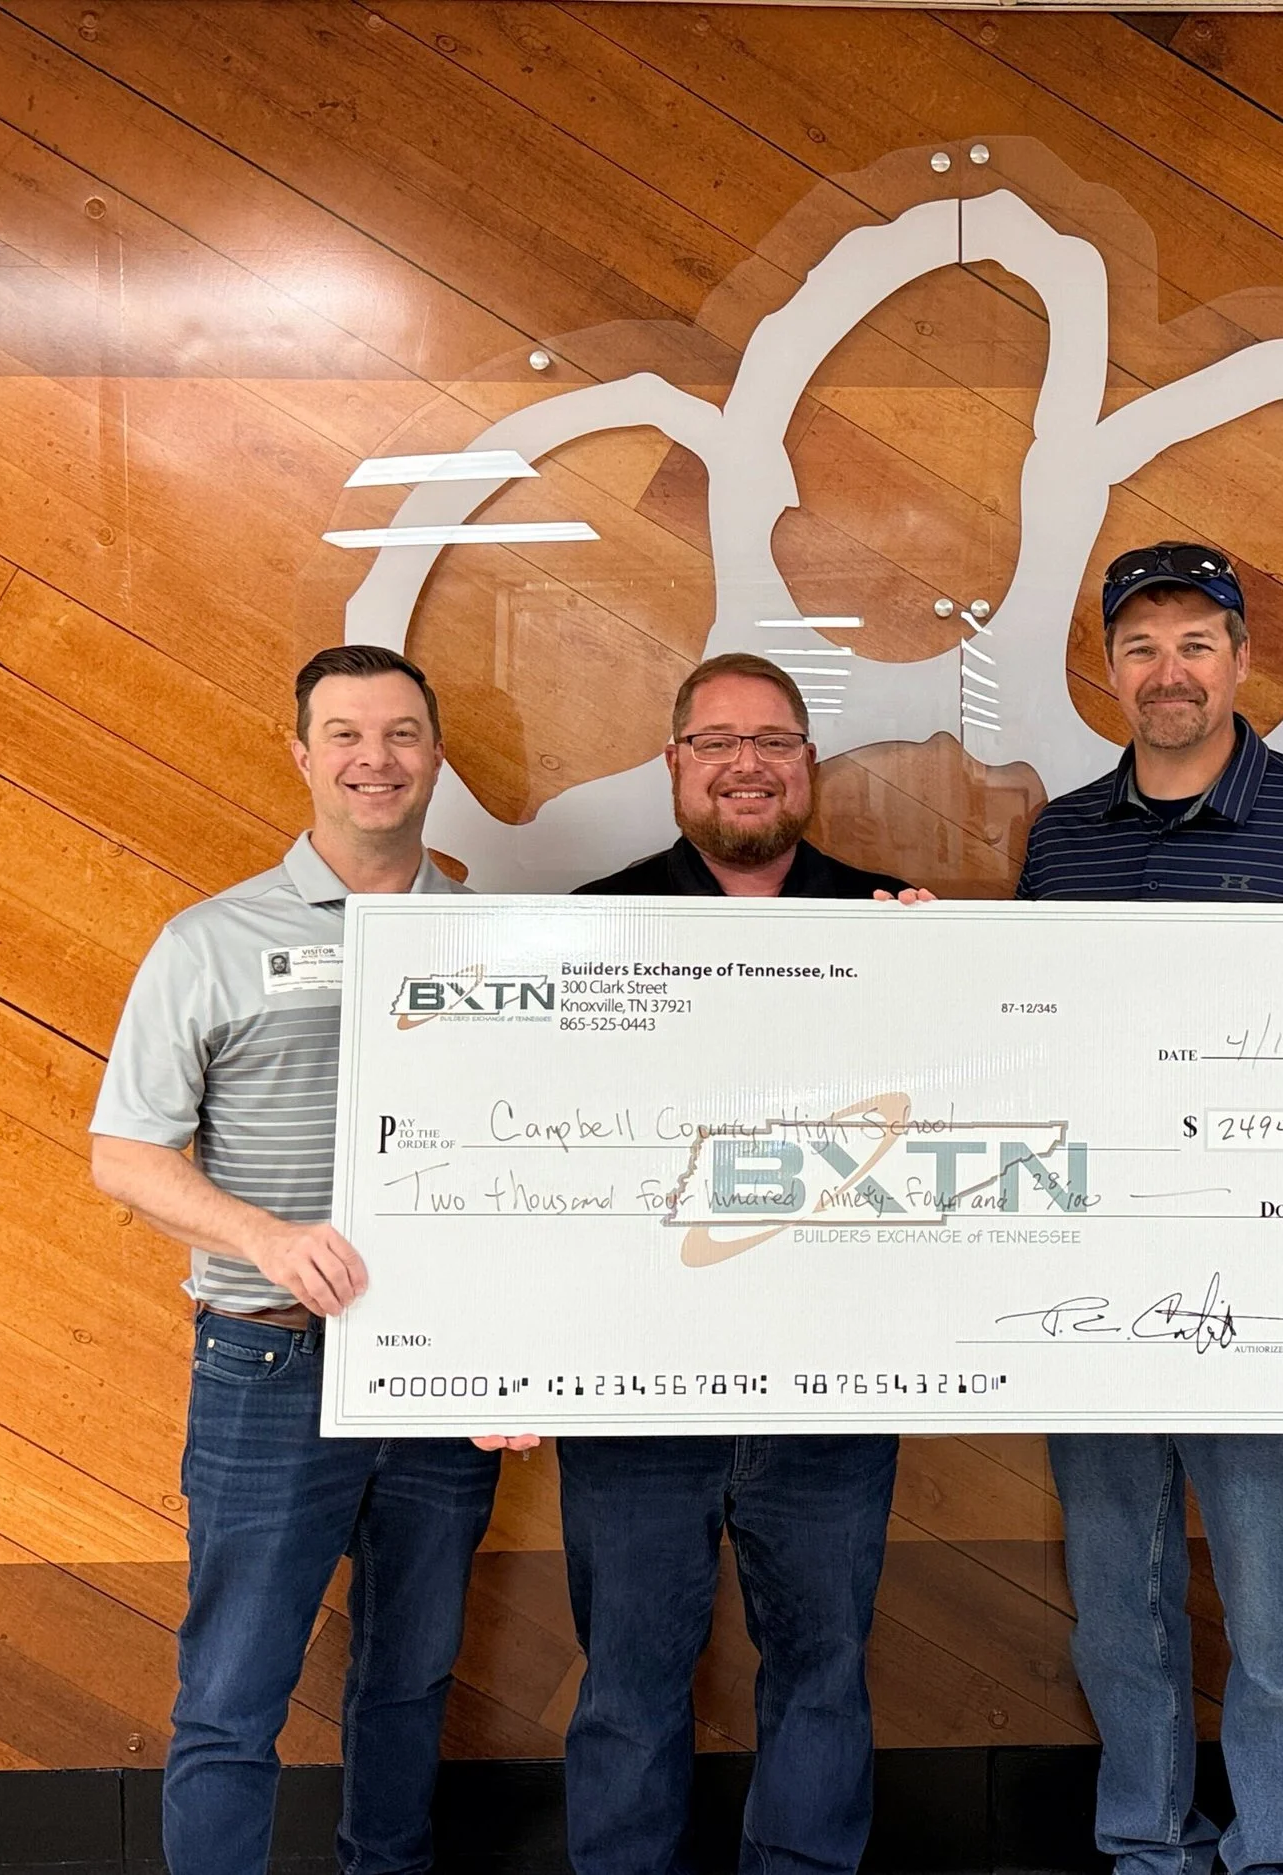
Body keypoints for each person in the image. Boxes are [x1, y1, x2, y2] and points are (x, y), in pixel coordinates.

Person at [1016, 543, 1283, 1875]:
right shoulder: (1063, 836)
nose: (1168, 669)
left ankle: (1281, 1852)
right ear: (1109, 671)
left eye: (1195, 641)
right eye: (1140, 647)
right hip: (1087, 1288)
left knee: (1274, 1606)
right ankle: (1146, 1841)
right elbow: (1027, 1042)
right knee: (1116, 1613)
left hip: (1270, 1292)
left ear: (1243, 660)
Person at [89, 645, 501, 1875]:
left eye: (401, 735)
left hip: (441, 1380)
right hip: (268, 1364)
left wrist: (515, 1351)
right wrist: (268, 1238)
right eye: (346, 736)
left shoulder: (498, 941)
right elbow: (123, 1152)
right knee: (233, 1694)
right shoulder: (209, 941)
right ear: (302, 755)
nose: (375, 760)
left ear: (435, 755)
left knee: (410, 1679)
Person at [548, 651, 908, 1875]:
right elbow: (536, 1162)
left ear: (806, 767)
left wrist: (949, 987)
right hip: (635, 1386)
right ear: (674, 768)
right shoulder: (592, 929)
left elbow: (959, 1131)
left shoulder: (893, 922)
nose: (745, 764)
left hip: (834, 1381)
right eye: (716, 743)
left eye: (772, 742)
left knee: (821, 1676)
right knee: (626, 1683)